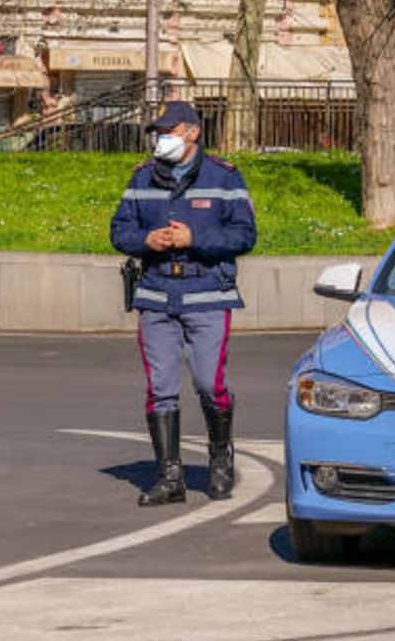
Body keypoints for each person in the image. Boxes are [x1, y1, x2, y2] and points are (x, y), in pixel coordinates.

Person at [110, 101, 257, 506]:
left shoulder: (224, 177)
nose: (161, 139)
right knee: (160, 389)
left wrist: (195, 240)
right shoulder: (142, 177)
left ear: (192, 132)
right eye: (158, 132)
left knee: (210, 384)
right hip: (157, 295)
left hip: (207, 293)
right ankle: (169, 477)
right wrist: (145, 241)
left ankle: (220, 459)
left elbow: (244, 235)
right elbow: (119, 229)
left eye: (168, 131)